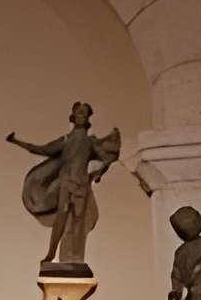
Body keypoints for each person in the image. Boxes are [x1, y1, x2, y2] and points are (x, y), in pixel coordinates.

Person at [7, 102, 119, 269]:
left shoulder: (91, 142)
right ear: (73, 117)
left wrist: (98, 173)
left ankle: (75, 258)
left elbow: (106, 158)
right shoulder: (66, 140)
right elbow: (41, 149)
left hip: (81, 185)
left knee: (78, 222)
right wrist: (17, 141)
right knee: (62, 217)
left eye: (84, 114)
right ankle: (52, 254)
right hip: (66, 182)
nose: (81, 116)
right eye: (79, 113)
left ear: (87, 119)